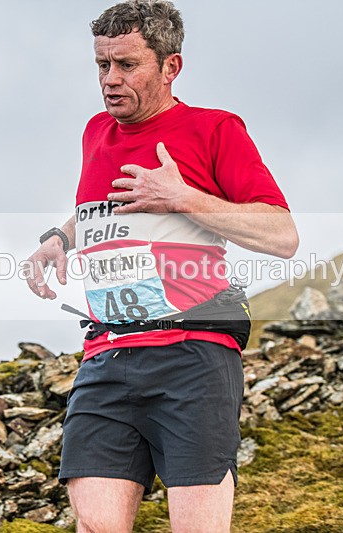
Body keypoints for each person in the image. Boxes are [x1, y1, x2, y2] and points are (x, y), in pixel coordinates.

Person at [24, 1, 298, 531]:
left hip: (193, 358)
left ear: (171, 67)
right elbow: (110, 209)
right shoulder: (95, 133)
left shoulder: (215, 129)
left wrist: (183, 198)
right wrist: (61, 236)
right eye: (102, 64)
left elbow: (282, 236)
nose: (110, 79)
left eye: (127, 65)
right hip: (106, 357)